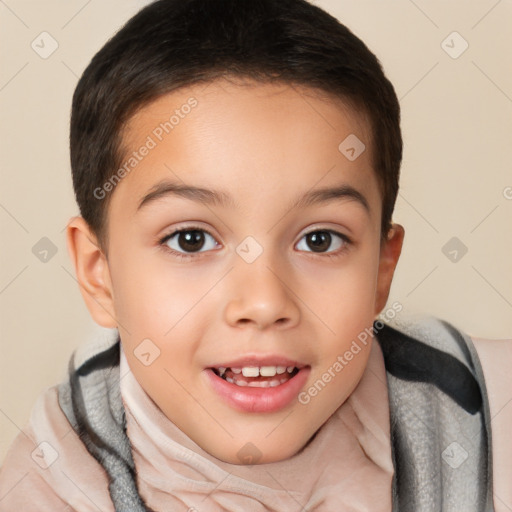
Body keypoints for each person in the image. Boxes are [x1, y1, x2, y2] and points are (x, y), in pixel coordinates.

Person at [0, 0, 510, 510]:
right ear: (100, 275)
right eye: (191, 240)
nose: (264, 303)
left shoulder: (489, 416)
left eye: (319, 240)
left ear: (382, 268)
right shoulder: (49, 487)